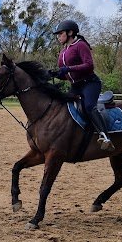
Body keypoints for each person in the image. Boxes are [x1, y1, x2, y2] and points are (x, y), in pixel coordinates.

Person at [49, 19, 115, 151]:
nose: (58, 37)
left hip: (90, 83)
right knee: (63, 105)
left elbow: (89, 65)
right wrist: (55, 74)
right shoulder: (63, 51)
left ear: (70, 33)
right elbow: (67, 74)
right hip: (76, 86)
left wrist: (68, 69)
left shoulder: (80, 45)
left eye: (60, 33)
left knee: (89, 106)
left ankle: (105, 136)